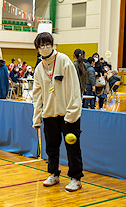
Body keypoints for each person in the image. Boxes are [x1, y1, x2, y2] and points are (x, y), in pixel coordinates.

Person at [32, 32, 83, 192]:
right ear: (37, 48)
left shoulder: (63, 60)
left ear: (52, 45)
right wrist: (37, 118)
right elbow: (37, 94)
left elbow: (74, 88)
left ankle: (76, 178)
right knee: (51, 148)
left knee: (72, 148)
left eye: (47, 44)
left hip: (68, 115)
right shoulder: (39, 68)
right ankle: (53, 173)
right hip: (49, 115)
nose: (45, 47)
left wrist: (72, 113)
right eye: (41, 45)